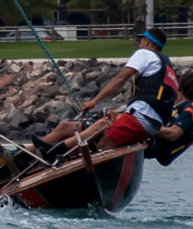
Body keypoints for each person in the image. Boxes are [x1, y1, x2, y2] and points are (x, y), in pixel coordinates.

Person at [36, 26, 181, 153]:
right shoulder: (166, 65)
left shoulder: (144, 54)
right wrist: (121, 114)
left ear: (147, 42)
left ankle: (54, 152)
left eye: (140, 41)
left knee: (103, 144)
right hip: (151, 125)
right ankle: (45, 150)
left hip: (140, 120)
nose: (139, 45)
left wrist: (94, 101)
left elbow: (119, 80)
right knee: (82, 127)